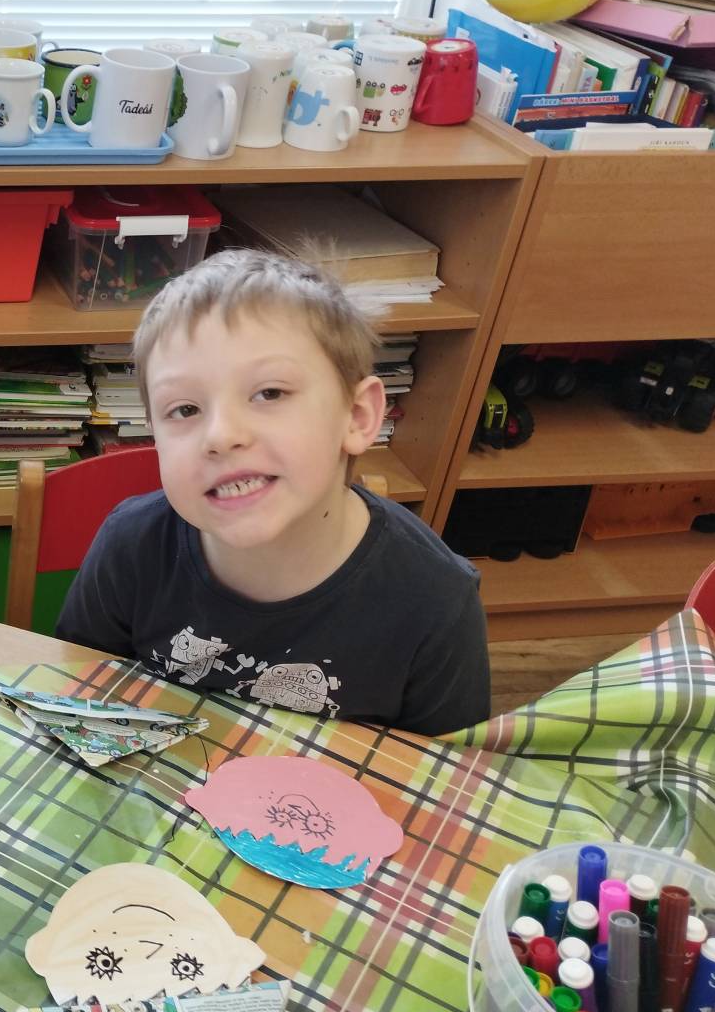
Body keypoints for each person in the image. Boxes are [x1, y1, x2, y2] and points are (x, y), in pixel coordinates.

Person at [56, 248, 489, 735]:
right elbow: (80, 692)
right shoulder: (129, 546)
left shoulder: (436, 600)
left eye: (269, 393)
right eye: (185, 410)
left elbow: (446, 769)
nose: (221, 435)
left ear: (357, 417)